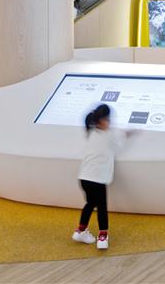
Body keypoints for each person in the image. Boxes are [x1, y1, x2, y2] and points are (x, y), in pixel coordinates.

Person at [72, 104, 130, 250]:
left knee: (90, 204)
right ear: (101, 121)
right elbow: (119, 142)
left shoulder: (91, 133)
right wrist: (129, 134)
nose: (110, 122)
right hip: (97, 179)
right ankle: (102, 237)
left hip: (84, 178)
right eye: (108, 119)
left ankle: (80, 231)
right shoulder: (109, 134)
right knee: (102, 207)